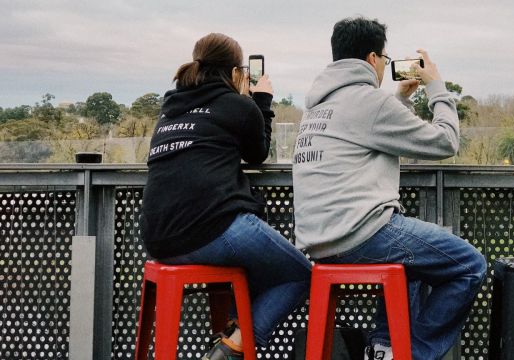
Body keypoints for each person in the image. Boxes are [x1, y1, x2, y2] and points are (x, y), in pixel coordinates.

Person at [292, 17, 487, 360]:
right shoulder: (369, 101)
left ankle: (384, 348)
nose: (384, 64)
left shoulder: (318, 105)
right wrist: (437, 87)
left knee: (412, 263)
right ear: (371, 60)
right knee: (470, 265)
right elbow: (445, 142)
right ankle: (412, 354)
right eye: (384, 57)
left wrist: (400, 97)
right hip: (359, 234)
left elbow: (371, 129)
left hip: (318, 240)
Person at [140, 32, 312, 360]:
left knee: (250, 266)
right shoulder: (236, 104)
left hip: (158, 240)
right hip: (213, 228)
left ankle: (235, 328)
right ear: (236, 73)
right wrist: (260, 101)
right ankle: (234, 346)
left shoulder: (169, 109)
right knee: (300, 273)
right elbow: (258, 152)